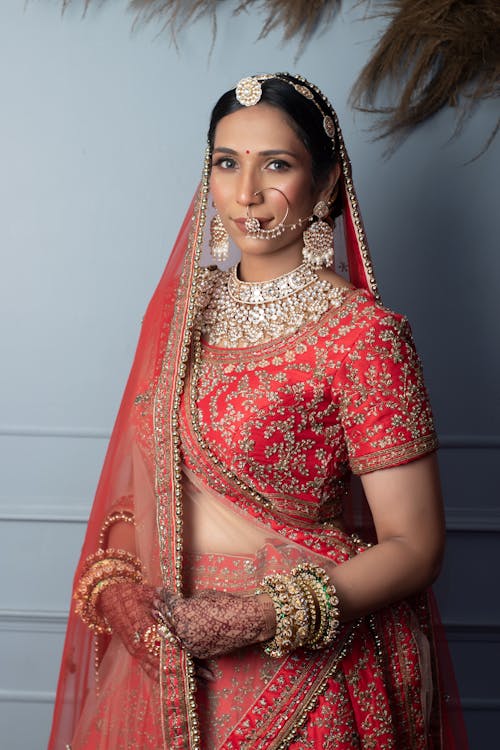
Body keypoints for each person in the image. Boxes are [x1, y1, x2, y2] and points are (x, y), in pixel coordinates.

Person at [49, 73, 468, 749]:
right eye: (226, 163)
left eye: (276, 164)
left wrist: (264, 615)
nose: (245, 195)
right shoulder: (179, 318)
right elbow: (144, 493)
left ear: (327, 183)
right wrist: (120, 589)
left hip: (299, 667)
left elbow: (415, 547)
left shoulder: (364, 336)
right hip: (160, 657)